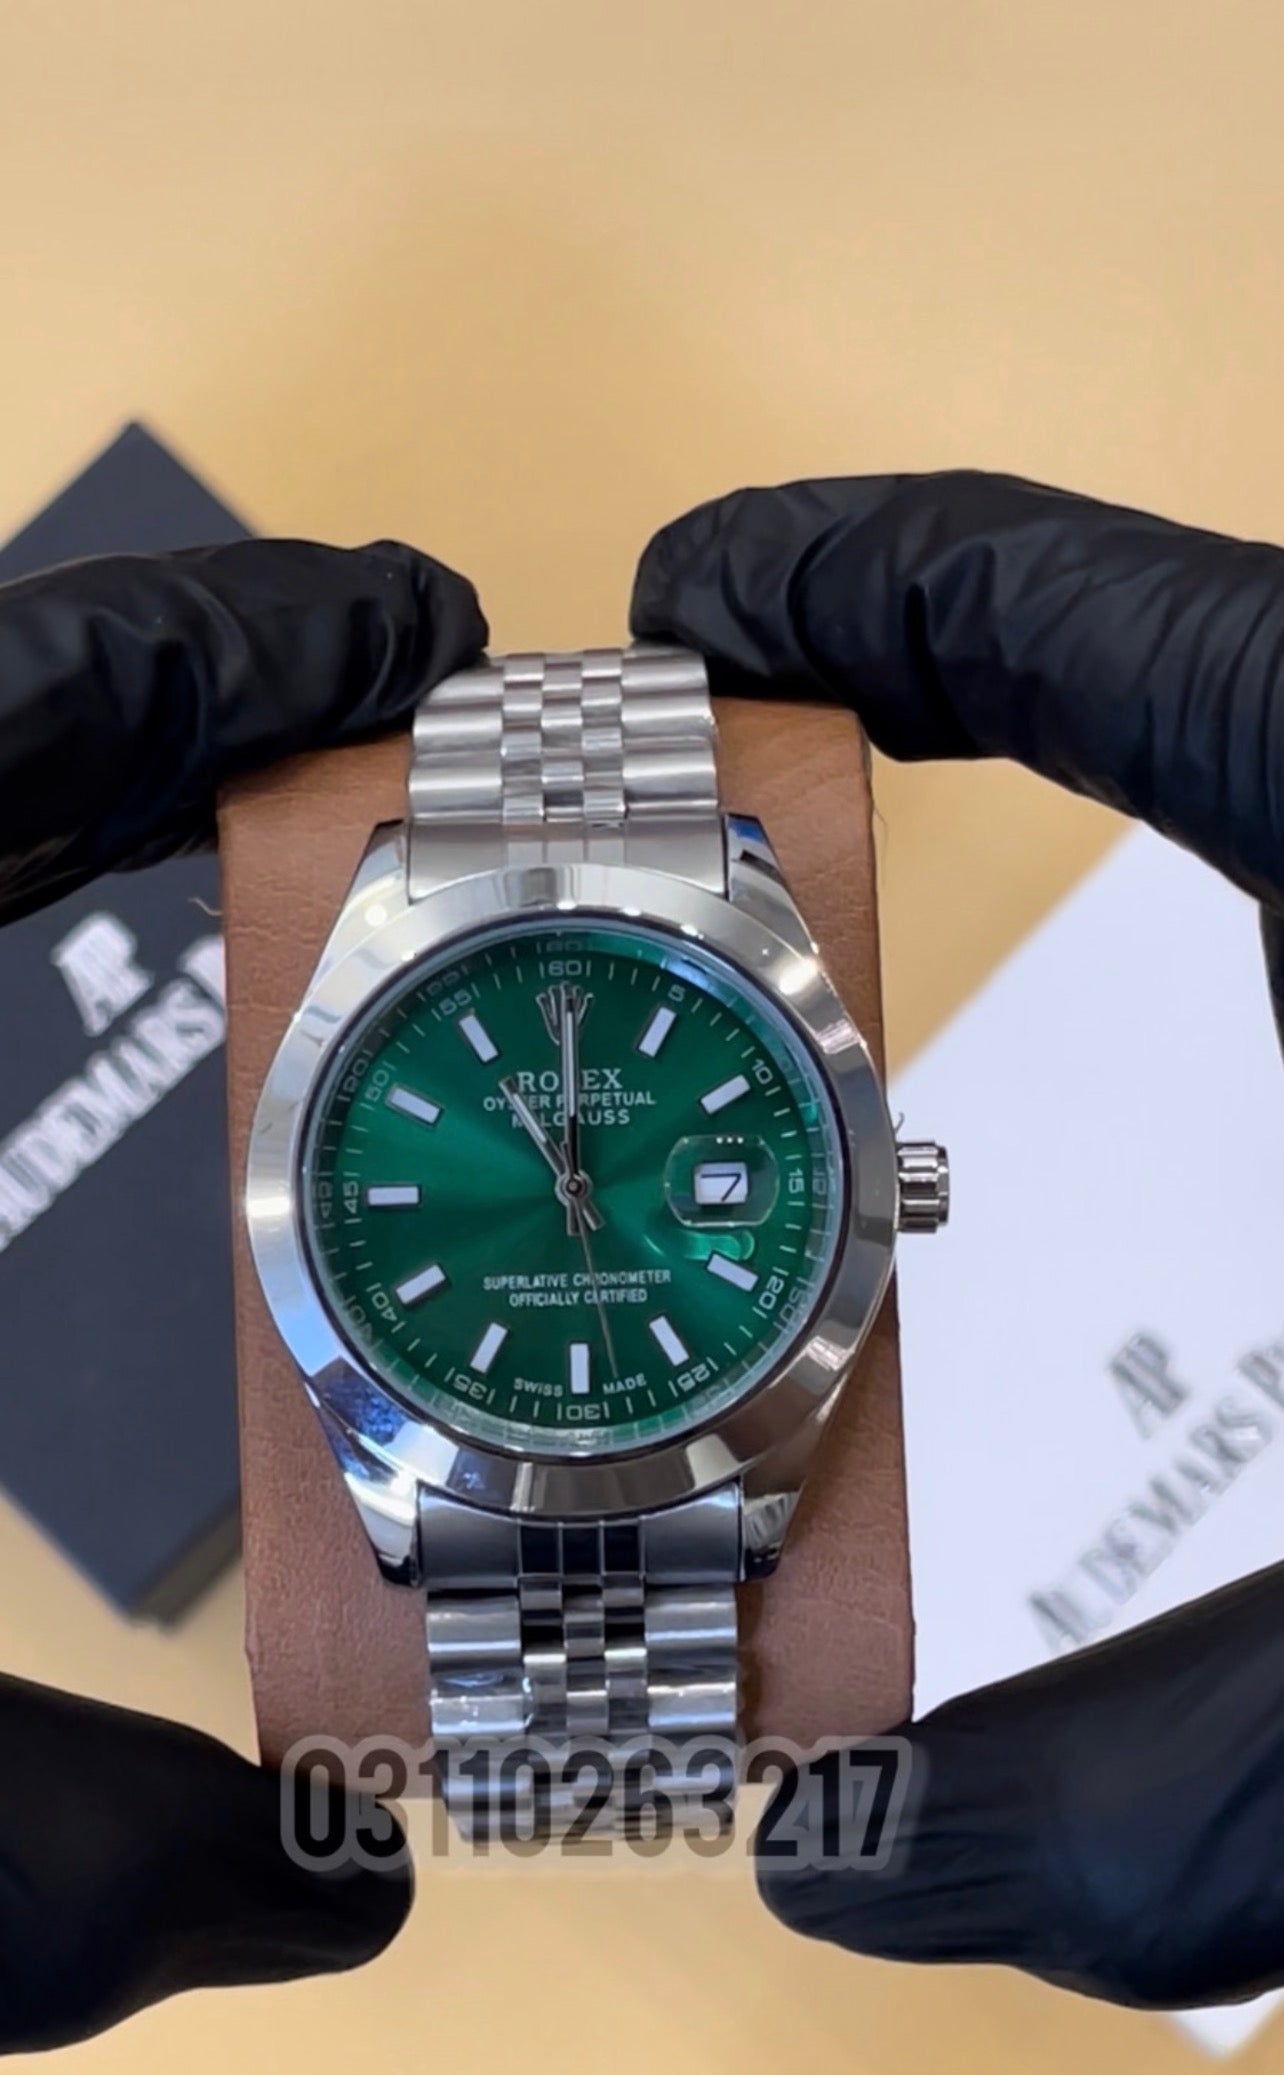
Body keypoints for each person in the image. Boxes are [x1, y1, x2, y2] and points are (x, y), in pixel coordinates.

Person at [0, 474, 1280, 2050]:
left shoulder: (681, 981)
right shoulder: (404, 955)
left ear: (888, 1185)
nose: (572, 1193)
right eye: (557, 1181)